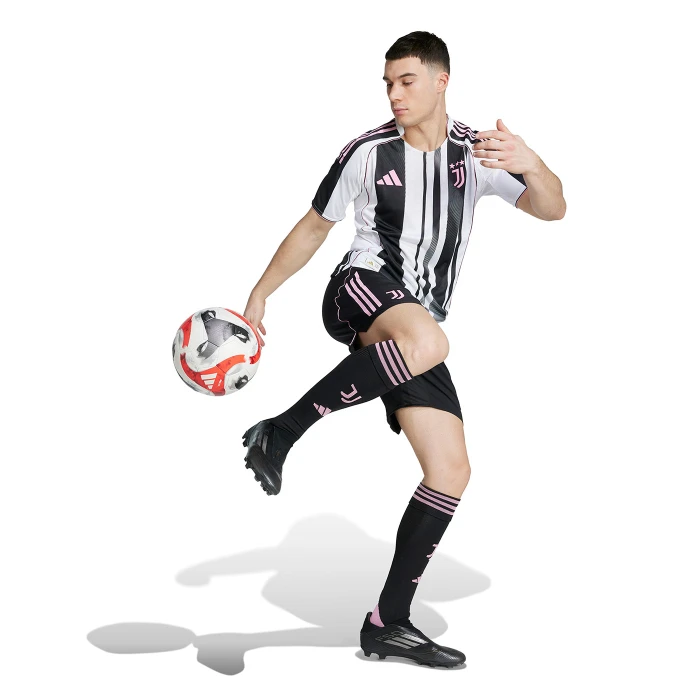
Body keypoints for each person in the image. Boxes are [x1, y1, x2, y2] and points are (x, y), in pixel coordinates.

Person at [241, 30, 566, 668]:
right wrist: (260, 295)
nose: (394, 93)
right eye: (388, 83)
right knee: (429, 339)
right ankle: (280, 432)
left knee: (450, 471)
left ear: (442, 81)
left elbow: (553, 208)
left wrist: (531, 162)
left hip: (415, 328)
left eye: (406, 81)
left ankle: (387, 622)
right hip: (360, 286)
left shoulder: (476, 153)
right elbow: (314, 227)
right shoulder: (368, 152)